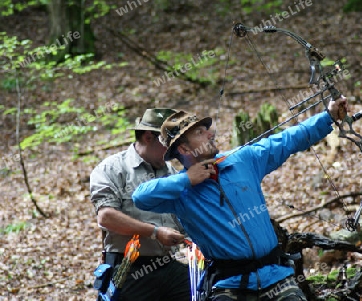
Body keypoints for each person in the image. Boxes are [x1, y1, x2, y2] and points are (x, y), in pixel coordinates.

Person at [132, 97, 348, 301]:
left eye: (206, 129)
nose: (210, 134)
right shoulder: (180, 192)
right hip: (228, 285)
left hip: (276, 276)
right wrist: (187, 179)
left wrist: (328, 116)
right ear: (184, 148)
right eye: (200, 132)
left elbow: (287, 140)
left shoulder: (242, 160)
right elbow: (140, 197)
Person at [90, 108, 191, 301]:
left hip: (172, 266)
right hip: (130, 269)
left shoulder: (170, 172)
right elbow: (106, 217)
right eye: (168, 144)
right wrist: (155, 232)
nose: (173, 151)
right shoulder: (112, 168)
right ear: (148, 137)